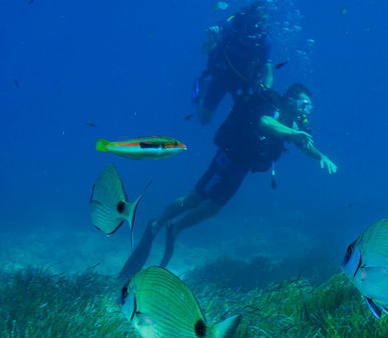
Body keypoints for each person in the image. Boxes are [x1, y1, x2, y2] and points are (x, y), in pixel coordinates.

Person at [119, 83, 336, 278]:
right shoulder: (272, 104)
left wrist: (322, 157)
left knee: (213, 208)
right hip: (226, 160)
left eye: (309, 106)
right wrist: (292, 133)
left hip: (241, 170)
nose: (306, 110)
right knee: (194, 199)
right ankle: (156, 225)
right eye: (304, 104)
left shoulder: (293, 125)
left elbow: (305, 146)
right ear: (290, 100)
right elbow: (264, 122)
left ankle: (175, 228)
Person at [193, 1, 272, 126]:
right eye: (255, 18)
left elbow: (268, 70)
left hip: (244, 83)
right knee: (204, 120)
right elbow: (205, 50)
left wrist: (265, 92)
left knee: (247, 121)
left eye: (262, 20)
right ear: (248, 15)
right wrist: (212, 40)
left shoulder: (265, 41)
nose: (258, 24)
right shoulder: (230, 26)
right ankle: (198, 97)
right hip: (221, 77)